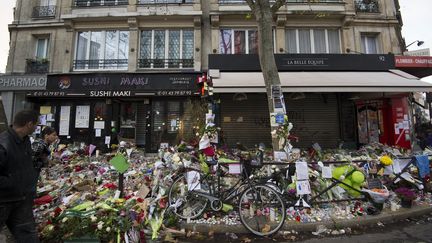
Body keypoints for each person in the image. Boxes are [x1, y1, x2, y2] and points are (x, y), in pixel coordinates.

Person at [0, 110, 40, 243]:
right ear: (29, 124)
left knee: (28, 237)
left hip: (22, 200)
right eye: (36, 124)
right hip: (4, 200)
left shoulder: (25, 141)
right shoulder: (3, 143)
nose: (36, 128)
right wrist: (13, 183)